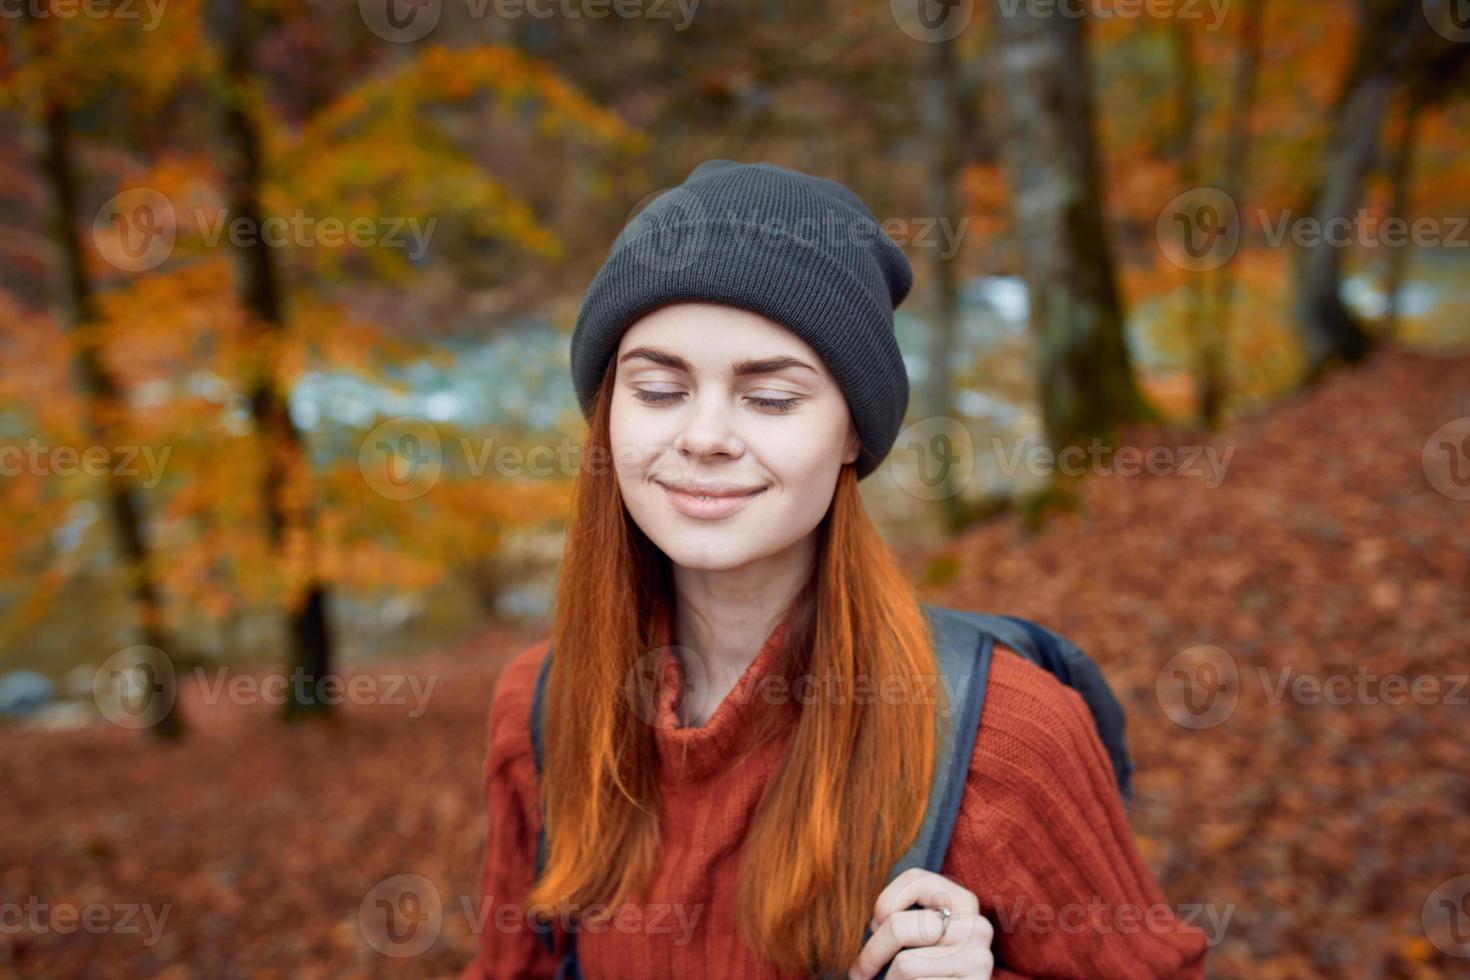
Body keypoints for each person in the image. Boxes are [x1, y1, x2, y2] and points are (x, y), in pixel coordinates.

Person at [461, 160, 1208, 979]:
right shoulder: (542, 710)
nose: (705, 436)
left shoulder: (1006, 737)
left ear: (853, 433)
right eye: (660, 389)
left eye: (770, 397)